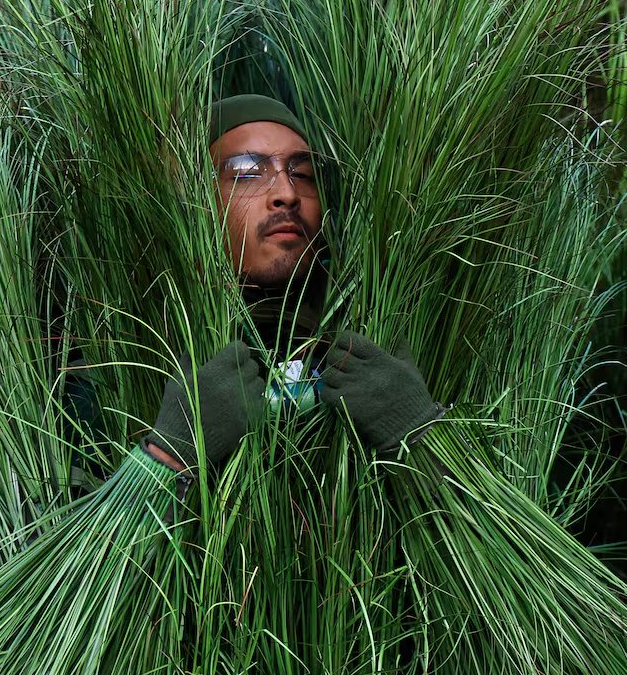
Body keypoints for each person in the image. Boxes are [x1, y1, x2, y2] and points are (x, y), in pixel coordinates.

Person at [141, 93, 445, 485]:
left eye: (303, 174)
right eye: (248, 171)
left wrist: (417, 433)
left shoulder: (391, 348)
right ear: (195, 204)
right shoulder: (135, 354)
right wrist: (170, 454)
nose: (287, 192)